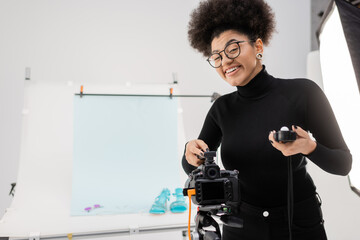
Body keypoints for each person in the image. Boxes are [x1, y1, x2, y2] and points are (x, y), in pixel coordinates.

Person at [181, 0, 352, 239]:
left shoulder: (304, 93)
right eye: (217, 57)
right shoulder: (221, 108)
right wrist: (190, 153)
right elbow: (192, 165)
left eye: (232, 49)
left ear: (258, 45)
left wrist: (309, 147)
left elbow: (343, 163)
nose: (225, 61)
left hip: (299, 224)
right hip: (240, 226)